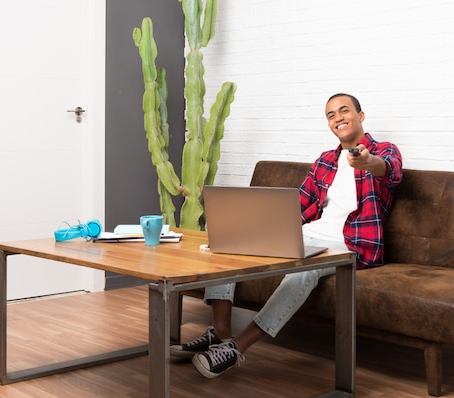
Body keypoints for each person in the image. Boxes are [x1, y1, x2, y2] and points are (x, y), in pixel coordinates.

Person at [171, 93, 403, 378]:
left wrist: (367, 162)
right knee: (232, 245)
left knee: (302, 272)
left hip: (350, 244)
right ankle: (220, 333)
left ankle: (237, 348)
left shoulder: (384, 150)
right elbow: (299, 205)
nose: (338, 118)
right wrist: (257, 228)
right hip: (309, 234)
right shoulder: (325, 161)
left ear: (360, 116)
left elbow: (389, 171)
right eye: (331, 115)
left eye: (344, 111)